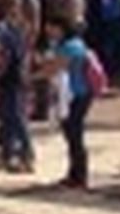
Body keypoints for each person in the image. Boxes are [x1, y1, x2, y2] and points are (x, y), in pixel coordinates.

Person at [41, 17, 96, 189]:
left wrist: (31, 76)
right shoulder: (64, 45)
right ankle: (74, 174)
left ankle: (80, 176)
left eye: (51, 28)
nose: (48, 32)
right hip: (69, 95)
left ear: (61, 28)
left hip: (77, 94)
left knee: (75, 135)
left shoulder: (71, 46)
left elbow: (54, 68)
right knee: (71, 134)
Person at [0, 0, 33, 172]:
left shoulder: (2, 27)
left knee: (14, 116)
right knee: (8, 116)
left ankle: (26, 154)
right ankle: (7, 154)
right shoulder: (16, 25)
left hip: (10, 77)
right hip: (17, 74)